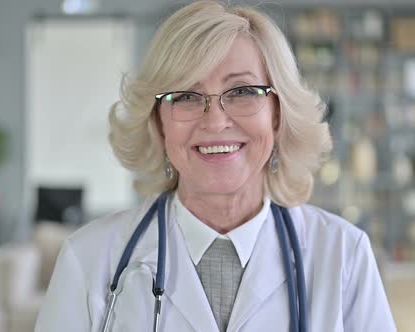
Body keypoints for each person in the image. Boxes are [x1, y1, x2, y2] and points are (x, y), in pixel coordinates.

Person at [35, 1, 396, 331]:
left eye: (242, 92)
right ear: (159, 122)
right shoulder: (88, 261)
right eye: (186, 96)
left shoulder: (344, 255)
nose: (215, 121)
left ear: (277, 115)